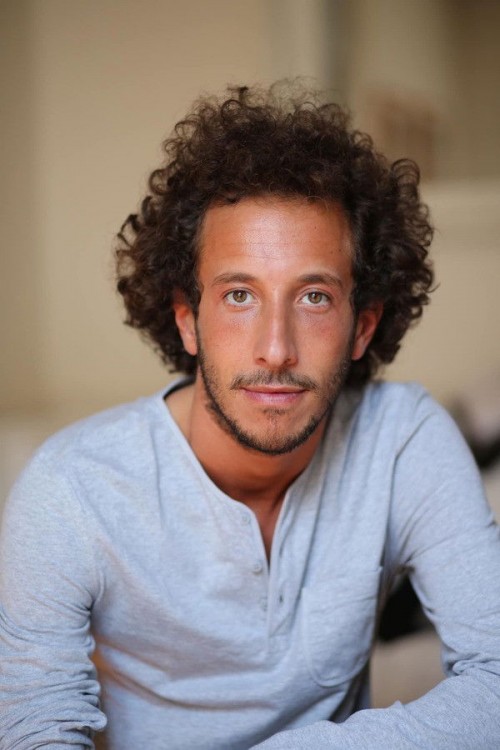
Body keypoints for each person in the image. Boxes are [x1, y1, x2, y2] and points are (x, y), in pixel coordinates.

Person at [1, 83, 499, 750]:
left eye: (314, 297)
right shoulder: (70, 490)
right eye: (239, 295)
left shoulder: (403, 442)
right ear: (188, 321)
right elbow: (34, 732)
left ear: (362, 326)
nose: (275, 348)